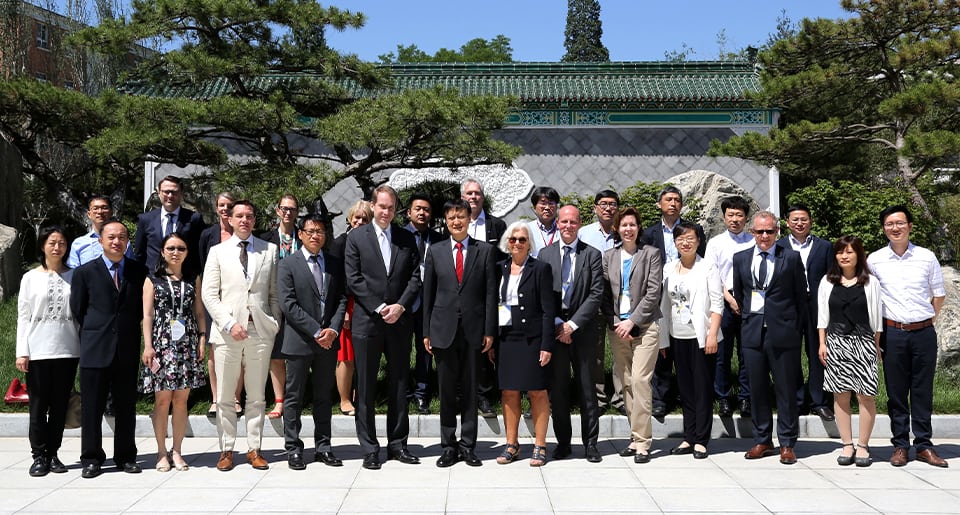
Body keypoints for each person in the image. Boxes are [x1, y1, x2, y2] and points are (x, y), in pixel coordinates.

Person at [344, 185, 422, 470]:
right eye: (381, 206)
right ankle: (370, 448)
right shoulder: (357, 238)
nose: (386, 212)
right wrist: (379, 307)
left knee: (400, 384)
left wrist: (400, 306)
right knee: (365, 386)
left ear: (395, 209)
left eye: (391, 207)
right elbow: (353, 278)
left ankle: (398, 444)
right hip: (368, 321)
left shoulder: (405, 238)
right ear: (372, 206)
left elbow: (415, 277)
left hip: (399, 322)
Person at [201, 200, 281, 472]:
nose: (244, 220)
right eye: (239, 216)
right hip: (227, 333)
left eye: (249, 215)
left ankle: (254, 448)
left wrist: (273, 322)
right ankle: (226, 449)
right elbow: (209, 294)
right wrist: (228, 323)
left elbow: (273, 293)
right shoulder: (217, 252)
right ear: (230, 220)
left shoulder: (269, 250)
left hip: (259, 330)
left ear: (254, 220)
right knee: (224, 395)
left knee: (257, 395)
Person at [867, 205, 948, 468]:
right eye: (889, 224)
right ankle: (900, 445)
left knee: (923, 390)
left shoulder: (926, 257)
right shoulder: (875, 260)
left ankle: (924, 444)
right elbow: (872, 299)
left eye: (900, 223)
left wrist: (927, 320)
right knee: (896, 392)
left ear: (910, 226)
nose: (895, 228)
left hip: (923, 332)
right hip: (893, 333)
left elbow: (939, 295)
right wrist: (877, 337)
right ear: (884, 228)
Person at [422, 199, 498, 467]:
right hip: (442, 330)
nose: (457, 221)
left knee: (469, 389)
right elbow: (428, 294)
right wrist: (426, 332)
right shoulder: (436, 251)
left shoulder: (485, 251)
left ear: (469, 218)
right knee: (446, 391)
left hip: (474, 331)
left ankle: (468, 445)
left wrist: (490, 331)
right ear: (446, 220)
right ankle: (448, 446)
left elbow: (490, 294)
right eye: (452, 217)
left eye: (461, 216)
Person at [69, 220, 148, 478]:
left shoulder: (138, 271)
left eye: (122, 237)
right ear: (100, 241)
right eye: (111, 237)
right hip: (95, 348)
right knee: (92, 406)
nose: (117, 241)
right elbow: (78, 309)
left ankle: (126, 456)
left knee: (126, 406)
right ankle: (91, 458)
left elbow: (139, 311)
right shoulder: (84, 272)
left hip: (126, 348)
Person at [733, 211, 807, 465]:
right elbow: (742, 295)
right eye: (759, 231)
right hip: (752, 332)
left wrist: (795, 329)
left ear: (777, 232)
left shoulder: (791, 258)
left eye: (769, 231)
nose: (764, 236)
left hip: (783, 332)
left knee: (786, 388)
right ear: (752, 232)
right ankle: (762, 439)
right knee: (757, 388)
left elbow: (800, 297)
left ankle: (787, 442)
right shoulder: (740, 258)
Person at [277, 214, 347, 470]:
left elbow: (340, 299)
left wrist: (333, 330)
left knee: (323, 396)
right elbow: (288, 304)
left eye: (320, 231)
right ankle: (293, 448)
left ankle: (324, 447)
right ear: (301, 234)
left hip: (328, 342)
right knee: (294, 396)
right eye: (310, 231)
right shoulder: (287, 264)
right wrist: (317, 331)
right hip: (299, 341)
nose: (316, 235)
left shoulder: (333, 263)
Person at [540, 205, 603, 463]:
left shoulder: (592, 255)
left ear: (579, 224)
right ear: (558, 223)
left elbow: (596, 294)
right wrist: (558, 324)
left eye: (573, 222)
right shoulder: (545, 254)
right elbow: (542, 294)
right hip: (555, 331)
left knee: (588, 390)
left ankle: (591, 444)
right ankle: (563, 444)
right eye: (563, 221)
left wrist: (572, 325)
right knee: (559, 391)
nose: (568, 226)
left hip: (583, 331)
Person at [139, 233, 207, 472]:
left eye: (180, 248)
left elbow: (199, 312)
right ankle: (160, 452)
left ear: (187, 252)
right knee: (162, 400)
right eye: (171, 248)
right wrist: (148, 346)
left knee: (181, 400)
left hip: (186, 345)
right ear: (163, 251)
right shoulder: (152, 280)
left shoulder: (192, 279)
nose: (175, 252)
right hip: (162, 345)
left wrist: (202, 338)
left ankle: (177, 450)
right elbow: (147, 315)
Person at [16, 226, 79, 477]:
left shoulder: (75, 276)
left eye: (62, 243)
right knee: (39, 405)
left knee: (60, 404)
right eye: (52, 242)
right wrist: (23, 351)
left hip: (68, 348)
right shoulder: (30, 278)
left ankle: (53, 454)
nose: (57, 247)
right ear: (43, 246)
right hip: (38, 349)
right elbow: (23, 316)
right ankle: (38, 455)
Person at [601, 207, 662, 464]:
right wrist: (617, 322)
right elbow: (604, 294)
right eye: (624, 225)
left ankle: (644, 442)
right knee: (625, 383)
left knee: (639, 380)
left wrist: (632, 321)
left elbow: (653, 293)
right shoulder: (608, 257)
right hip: (617, 329)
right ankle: (635, 437)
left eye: (632, 225)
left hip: (645, 326)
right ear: (617, 228)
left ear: (639, 228)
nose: (628, 229)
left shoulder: (651, 254)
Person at [657, 222, 722, 459]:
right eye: (680, 239)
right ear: (674, 242)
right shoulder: (668, 268)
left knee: (702, 388)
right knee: (685, 389)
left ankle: (701, 440)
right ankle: (689, 436)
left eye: (690, 238)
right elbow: (663, 306)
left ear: (698, 241)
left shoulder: (707, 267)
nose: (685, 242)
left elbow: (717, 304)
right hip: (677, 336)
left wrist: (712, 334)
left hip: (701, 337)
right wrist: (664, 340)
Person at [642, 186, 708, 419]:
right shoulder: (649, 233)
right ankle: (660, 398)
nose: (673, 203)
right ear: (659, 204)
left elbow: (702, 260)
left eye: (677, 200)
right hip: (659, 293)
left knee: (686, 344)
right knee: (662, 347)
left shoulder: (693, 229)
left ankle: (686, 392)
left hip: (689, 292)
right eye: (668, 199)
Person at [817, 235, 883, 467]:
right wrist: (822, 343)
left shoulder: (870, 282)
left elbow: (877, 320)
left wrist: (875, 346)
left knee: (865, 395)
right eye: (840, 252)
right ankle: (847, 444)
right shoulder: (827, 282)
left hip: (864, 341)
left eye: (850, 252)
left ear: (858, 255)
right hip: (836, 341)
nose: (844, 256)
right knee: (841, 394)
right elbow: (821, 318)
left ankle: (863, 445)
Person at [494, 222, 555, 466]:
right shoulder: (499, 268)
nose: (517, 243)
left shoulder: (541, 269)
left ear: (530, 243)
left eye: (522, 239)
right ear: (507, 243)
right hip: (506, 339)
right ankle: (512, 444)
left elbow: (548, 311)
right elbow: (492, 304)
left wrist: (546, 344)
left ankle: (540, 445)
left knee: (537, 391)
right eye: (513, 239)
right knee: (508, 391)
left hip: (533, 339)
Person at [777, 204, 835, 421]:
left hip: (817, 305)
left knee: (818, 352)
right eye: (795, 219)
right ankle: (797, 400)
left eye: (803, 219)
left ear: (810, 221)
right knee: (790, 353)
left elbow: (832, 277)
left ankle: (818, 401)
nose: (799, 223)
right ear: (787, 222)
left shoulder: (824, 246)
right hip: (789, 304)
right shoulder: (779, 246)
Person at [704, 196, 754, 417]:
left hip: (751, 300)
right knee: (722, 354)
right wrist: (730, 299)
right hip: (723, 300)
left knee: (747, 352)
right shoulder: (715, 243)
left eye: (739, 215)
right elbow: (712, 275)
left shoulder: (753, 241)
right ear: (724, 217)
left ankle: (745, 398)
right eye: (730, 215)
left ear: (746, 218)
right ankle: (723, 397)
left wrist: (744, 300)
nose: (735, 219)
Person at [461, 178, 506, 417]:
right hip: (461, 295)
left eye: (477, 193)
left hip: (488, 293)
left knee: (486, 345)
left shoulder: (496, 226)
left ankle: (485, 396)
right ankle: (463, 394)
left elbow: (503, 259)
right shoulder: (455, 223)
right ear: (462, 197)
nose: (473, 197)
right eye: (469, 193)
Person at [579, 189, 624, 415]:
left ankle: (621, 397)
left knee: (621, 349)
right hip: (594, 298)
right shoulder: (584, 234)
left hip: (620, 299)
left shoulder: (624, 231)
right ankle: (597, 398)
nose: (608, 208)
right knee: (594, 351)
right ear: (595, 207)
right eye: (603, 204)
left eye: (613, 204)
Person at [198, 191, 242, 418]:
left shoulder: (244, 233)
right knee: (215, 350)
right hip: (214, 298)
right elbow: (202, 265)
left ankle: (235, 397)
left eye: (230, 205)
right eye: (222, 205)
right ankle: (216, 398)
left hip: (239, 297)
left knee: (240, 349)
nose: (225, 209)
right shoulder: (208, 235)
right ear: (216, 208)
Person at [327, 199, 372, 416]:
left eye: (365, 219)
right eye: (357, 218)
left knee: (365, 353)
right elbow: (334, 279)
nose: (360, 221)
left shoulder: (373, 242)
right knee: (346, 354)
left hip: (368, 304)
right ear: (350, 218)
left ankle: (360, 396)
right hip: (346, 303)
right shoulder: (339, 243)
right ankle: (345, 400)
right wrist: (342, 309)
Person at [260, 194, 302, 420]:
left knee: (297, 354)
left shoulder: (304, 237)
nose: (288, 212)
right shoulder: (266, 240)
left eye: (292, 209)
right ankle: (279, 401)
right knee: (276, 354)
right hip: (273, 301)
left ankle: (296, 397)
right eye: (284, 208)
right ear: (277, 211)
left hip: (299, 301)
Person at [405, 193, 444, 415]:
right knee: (400, 351)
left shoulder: (438, 239)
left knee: (425, 349)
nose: (422, 213)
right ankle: (402, 392)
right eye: (418, 208)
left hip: (430, 302)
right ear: (409, 212)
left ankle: (421, 394)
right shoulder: (399, 236)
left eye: (427, 209)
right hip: (404, 301)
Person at [134, 175, 206, 277]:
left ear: (181, 194)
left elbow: (200, 252)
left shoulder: (194, 219)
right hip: (153, 277)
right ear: (159, 193)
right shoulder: (145, 219)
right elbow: (139, 254)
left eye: (174, 192)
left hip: (184, 277)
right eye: (166, 192)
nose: (170, 196)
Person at [67, 196, 133, 267]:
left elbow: (131, 268)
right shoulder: (79, 243)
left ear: (111, 212)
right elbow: (73, 272)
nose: (100, 212)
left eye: (104, 208)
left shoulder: (123, 242)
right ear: (89, 214)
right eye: (95, 208)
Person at [525, 185, 560, 258]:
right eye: (543, 203)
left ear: (556, 206)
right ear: (534, 207)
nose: (547, 207)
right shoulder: (526, 230)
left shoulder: (564, 229)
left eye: (551, 203)